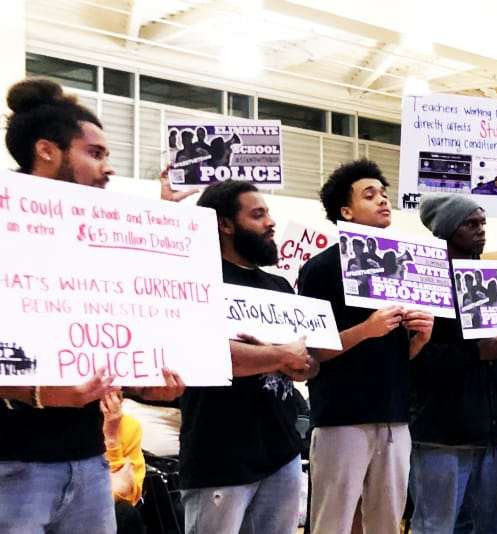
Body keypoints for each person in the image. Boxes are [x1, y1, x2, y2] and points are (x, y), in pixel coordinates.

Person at [0, 78, 185, 534]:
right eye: (95, 153)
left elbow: (109, 347)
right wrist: (38, 393)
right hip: (11, 466)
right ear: (47, 150)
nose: (109, 168)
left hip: (87, 463)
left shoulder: (96, 245)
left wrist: (149, 385)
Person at [297, 159, 434, 534]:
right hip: (342, 416)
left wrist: (420, 338)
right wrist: (366, 329)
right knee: (332, 521)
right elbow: (311, 352)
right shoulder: (321, 269)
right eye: (369, 195)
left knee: (388, 522)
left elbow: (396, 357)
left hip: (394, 414)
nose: (383, 201)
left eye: (385, 194)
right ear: (345, 211)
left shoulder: (399, 267)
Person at [181, 179, 317, 534]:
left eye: (268, 213)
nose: (270, 222)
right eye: (257, 215)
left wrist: (303, 363)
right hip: (220, 454)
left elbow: (305, 363)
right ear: (225, 225)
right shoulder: (198, 281)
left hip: (282, 451)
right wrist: (279, 355)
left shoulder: (281, 287)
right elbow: (210, 352)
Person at [410, 193, 497, 534]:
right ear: (446, 230)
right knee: (436, 526)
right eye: (470, 224)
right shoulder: (422, 282)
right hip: (442, 430)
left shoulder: (495, 279)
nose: (480, 230)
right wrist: (475, 354)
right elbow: (414, 357)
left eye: (482, 223)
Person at [101, 391, 147, 534]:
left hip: (109, 507)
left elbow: (130, 494)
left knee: (124, 514)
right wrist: (113, 490)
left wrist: (112, 438)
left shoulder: (129, 425)